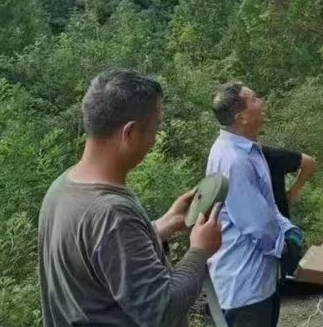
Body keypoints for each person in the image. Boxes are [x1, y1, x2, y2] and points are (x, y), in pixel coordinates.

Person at [38, 69, 222, 327]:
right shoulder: (112, 214)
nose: (155, 139)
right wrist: (200, 250)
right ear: (130, 133)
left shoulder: (62, 186)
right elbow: (162, 310)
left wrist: (161, 227)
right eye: (155, 127)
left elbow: (100, 259)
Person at [206, 83, 294, 327]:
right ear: (241, 117)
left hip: (256, 279)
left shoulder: (245, 150)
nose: (261, 102)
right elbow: (258, 224)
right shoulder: (234, 160)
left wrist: (286, 228)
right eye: (254, 99)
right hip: (244, 284)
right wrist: (284, 247)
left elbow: (267, 205)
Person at [260, 142, 314, 281]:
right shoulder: (237, 158)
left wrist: (294, 190)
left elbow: (308, 162)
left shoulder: (271, 155)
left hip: (279, 223)